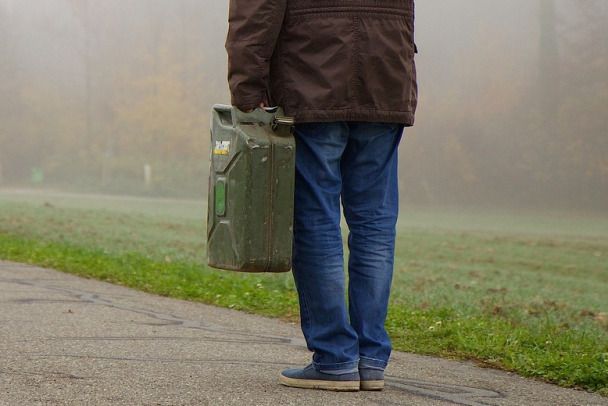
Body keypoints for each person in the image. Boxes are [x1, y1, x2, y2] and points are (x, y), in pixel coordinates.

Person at [225, 0, 417, 392]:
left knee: (316, 218)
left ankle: (335, 359)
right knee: (375, 223)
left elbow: (255, 11)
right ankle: (370, 359)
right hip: (387, 70)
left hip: (313, 71)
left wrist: (247, 87)